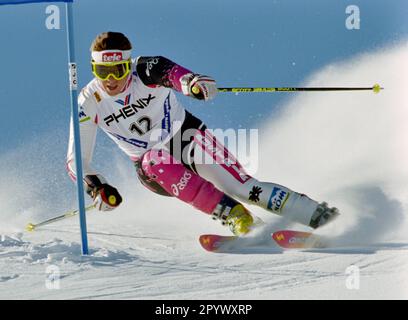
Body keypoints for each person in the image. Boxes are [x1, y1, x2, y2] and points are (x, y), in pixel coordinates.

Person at [66, 31, 339, 236]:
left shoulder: (145, 69)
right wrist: (96, 187)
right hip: (152, 170)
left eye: (117, 70)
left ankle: (317, 214)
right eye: (103, 71)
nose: (111, 80)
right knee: (154, 160)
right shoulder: (89, 102)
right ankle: (235, 217)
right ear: (94, 69)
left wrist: (193, 84)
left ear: (127, 65)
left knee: (241, 187)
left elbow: (175, 75)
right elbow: (75, 161)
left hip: (186, 137)